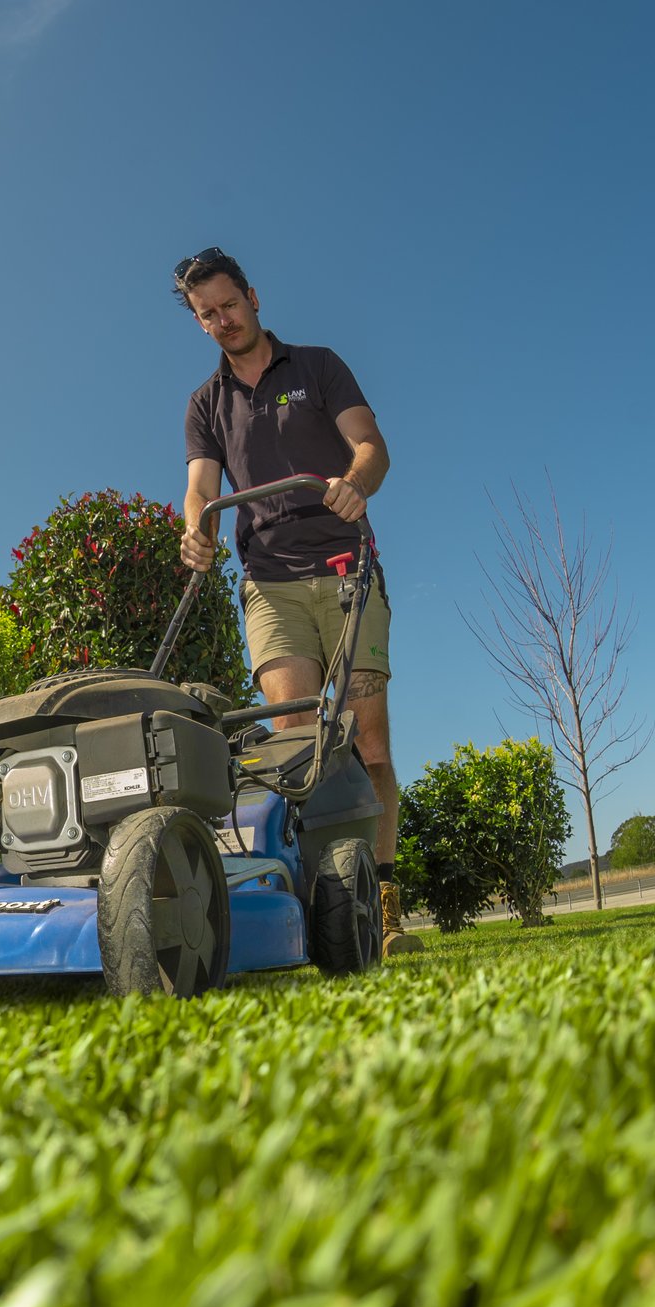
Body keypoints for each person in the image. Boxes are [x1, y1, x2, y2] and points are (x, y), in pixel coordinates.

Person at [171, 246, 417, 955]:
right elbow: (200, 488)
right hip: (270, 580)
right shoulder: (205, 404)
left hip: (345, 568)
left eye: (229, 305)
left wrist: (354, 482)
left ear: (253, 295)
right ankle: (318, 908)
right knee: (295, 747)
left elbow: (371, 446)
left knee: (368, 744)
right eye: (207, 315)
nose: (222, 320)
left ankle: (385, 906)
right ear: (199, 321)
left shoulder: (318, 366)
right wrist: (197, 530)